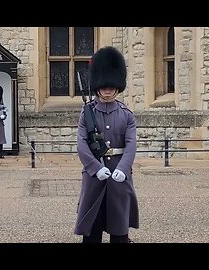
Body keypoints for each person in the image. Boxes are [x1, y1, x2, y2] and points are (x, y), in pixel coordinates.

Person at [74, 46, 139, 243]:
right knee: (91, 230)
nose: (108, 88)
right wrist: (95, 168)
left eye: (111, 85)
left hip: (119, 177)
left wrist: (123, 168)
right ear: (97, 85)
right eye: (104, 85)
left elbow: (131, 144)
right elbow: (81, 144)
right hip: (95, 177)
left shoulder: (126, 114)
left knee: (119, 231)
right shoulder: (88, 113)